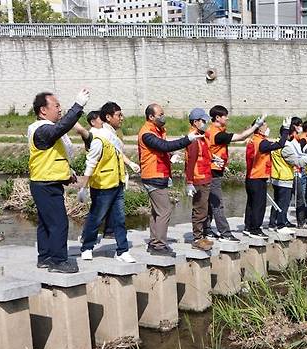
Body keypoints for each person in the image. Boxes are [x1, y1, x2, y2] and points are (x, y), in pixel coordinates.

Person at [28, 88, 90, 273]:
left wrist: (67, 173)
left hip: (45, 182)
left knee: (47, 222)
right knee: (58, 223)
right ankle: (58, 261)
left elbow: (52, 157)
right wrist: (78, 105)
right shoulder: (42, 129)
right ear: (43, 110)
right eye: (56, 106)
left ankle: (45, 257)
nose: (60, 109)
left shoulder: (44, 131)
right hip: (45, 185)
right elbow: (61, 127)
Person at [138, 103, 200, 256]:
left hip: (159, 174)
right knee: (164, 211)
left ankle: (154, 242)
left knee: (156, 212)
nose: (163, 117)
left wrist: (171, 156)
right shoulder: (147, 133)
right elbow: (164, 146)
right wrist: (187, 139)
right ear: (151, 117)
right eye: (160, 114)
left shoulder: (157, 130)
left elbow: (160, 150)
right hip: (153, 176)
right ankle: (158, 245)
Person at [78, 101, 136, 263]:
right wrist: (83, 187)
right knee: (96, 218)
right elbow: (91, 162)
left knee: (119, 219)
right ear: (108, 117)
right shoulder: (99, 136)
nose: (121, 118)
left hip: (116, 183)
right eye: (118, 115)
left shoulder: (112, 135)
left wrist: (130, 165)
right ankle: (87, 247)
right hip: (102, 185)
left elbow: (117, 155)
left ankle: (122, 250)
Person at [204, 105, 264, 242]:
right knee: (217, 203)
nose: (228, 118)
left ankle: (206, 229)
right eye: (225, 116)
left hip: (213, 168)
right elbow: (241, 137)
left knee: (209, 202)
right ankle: (225, 233)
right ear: (217, 118)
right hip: (213, 171)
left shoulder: (213, 131)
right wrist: (256, 126)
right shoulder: (217, 134)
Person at [243, 118, 290, 237]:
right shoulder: (261, 142)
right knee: (259, 205)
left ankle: (248, 226)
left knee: (251, 203)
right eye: (265, 126)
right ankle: (255, 229)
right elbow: (280, 144)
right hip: (258, 176)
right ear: (259, 128)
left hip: (250, 177)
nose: (267, 128)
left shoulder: (252, 140)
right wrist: (285, 129)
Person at [269, 130, 307, 232]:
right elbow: (297, 162)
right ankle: (281, 225)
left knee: (277, 202)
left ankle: (272, 223)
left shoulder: (275, 145)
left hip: (276, 177)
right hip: (285, 178)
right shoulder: (285, 148)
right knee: (284, 203)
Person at [184, 108, 214, 251]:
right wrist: (189, 182)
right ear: (196, 122)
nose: (206, 123)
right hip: (198, 179)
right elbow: (190, 161)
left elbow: (205, 156)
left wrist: (215, 159)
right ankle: (197, 238)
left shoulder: (201, 136)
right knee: (200, 209)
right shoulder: (193, 138)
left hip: (205, 176)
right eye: (203, 120)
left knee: (204, 209)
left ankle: (201, 236)